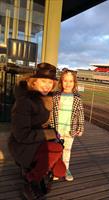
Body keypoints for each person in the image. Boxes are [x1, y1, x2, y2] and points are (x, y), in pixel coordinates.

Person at [8, 63, 66, 199]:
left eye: (50, 82)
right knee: (56, 150)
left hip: (37, 140)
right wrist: (51, 135)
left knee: (60, 169)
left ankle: (34, 170)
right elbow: (21, 135)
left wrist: (54, 134)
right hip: (22, 144)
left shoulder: (48, 98)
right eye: (43, 81)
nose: (47, 85)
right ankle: (30, 180)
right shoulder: (24, 102)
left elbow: (45, 125)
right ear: (33, 83)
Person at [51, 68, 84, 181]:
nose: (68, 83)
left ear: (74, 83)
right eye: (65, 81)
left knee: (67, 150)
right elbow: (52, 112)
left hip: (70, 130)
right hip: (57, 129)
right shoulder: (56, 96)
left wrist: (80, 128)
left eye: (70, 81)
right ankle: (56, 170)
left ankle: (66, 169)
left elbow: (80, 114)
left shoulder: (77, 98)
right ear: (61, 82)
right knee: (56, 150)